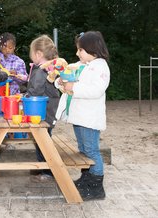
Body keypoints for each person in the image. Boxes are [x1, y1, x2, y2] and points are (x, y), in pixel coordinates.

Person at [55, 31, 110, 200]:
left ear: (92, 50)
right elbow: (65, 75)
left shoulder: (100, 67)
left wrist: (73, 89)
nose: (77, 53)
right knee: (83, 150)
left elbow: (96, 90)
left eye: (80, 50)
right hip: (79, 117)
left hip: (89, 118)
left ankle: (96, 187)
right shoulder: (80, 65)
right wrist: (60, 81)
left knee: (92, 151)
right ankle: (86, 178)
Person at [25, 34, 60, 182]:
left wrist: (24, 97)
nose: (31, 56)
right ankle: (44, 168)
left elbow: (36, 91)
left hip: (44, 112)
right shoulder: (47, 69)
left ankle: (48, 171)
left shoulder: (41, 70)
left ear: (39, 54)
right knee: (42, 140)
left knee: (43, 141)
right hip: (47, 110)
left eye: (31, 53)